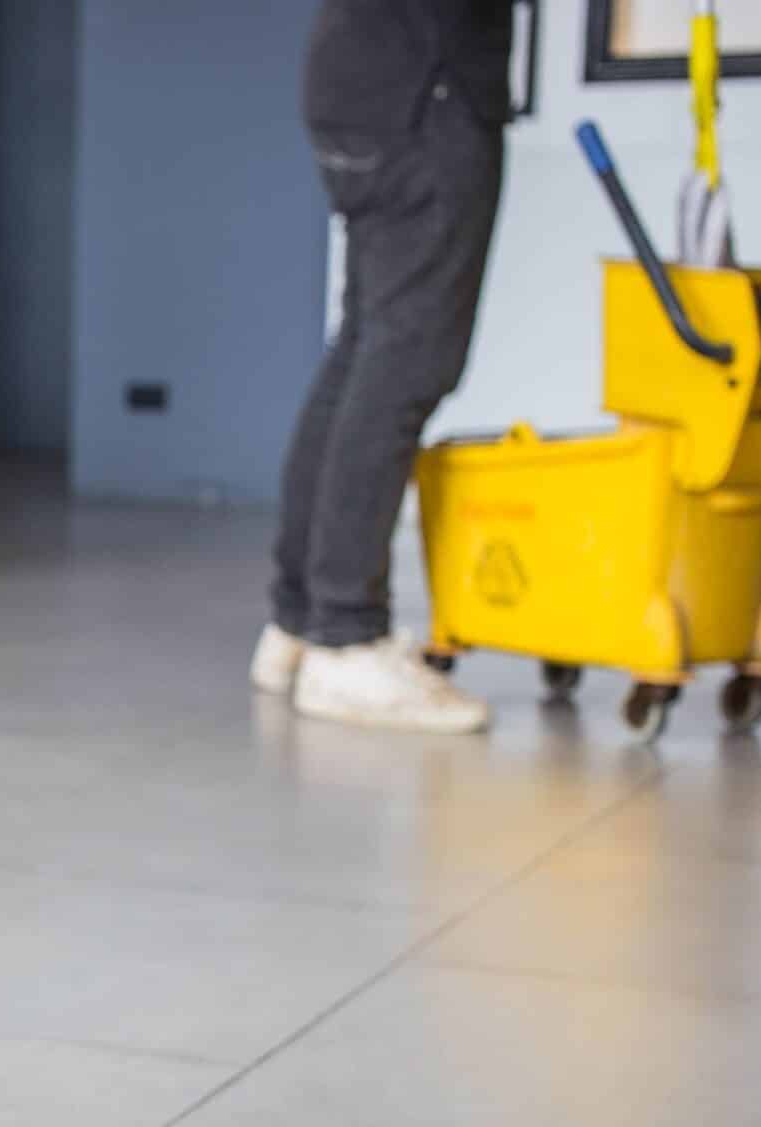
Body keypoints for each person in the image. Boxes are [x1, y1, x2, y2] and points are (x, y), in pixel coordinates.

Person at [257, 0, 515, 733]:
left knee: (366, 348)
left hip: (358, 84)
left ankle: (302, 623)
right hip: (423, 93)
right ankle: (345, 638)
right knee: (406, 361)